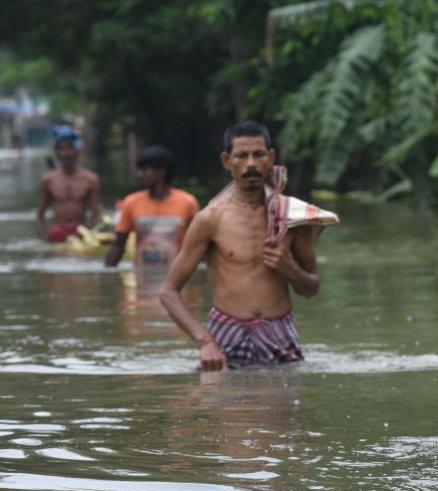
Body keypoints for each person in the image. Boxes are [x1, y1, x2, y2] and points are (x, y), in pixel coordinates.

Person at [160, 120, 320, 370]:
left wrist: (288, 268)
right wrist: (205, 342)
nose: (251, 164)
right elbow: (168, 291)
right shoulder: (210, 219)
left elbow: (311, 287)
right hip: (226, 334)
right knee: (229, 407)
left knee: (282, 408)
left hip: (280, 333)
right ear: (227, 161)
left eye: (258, 155)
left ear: (271, 157)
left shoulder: (293, 215)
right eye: (241, 156)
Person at [105, 145, 199, 267]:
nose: (139, 174)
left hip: (176, 279)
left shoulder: (188, 203)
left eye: (144, 170)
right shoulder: (131, 202)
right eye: (138, 170)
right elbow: (119, 245)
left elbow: (198, 245)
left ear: (161, 171)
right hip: (142, 276)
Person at [35, 135, 101, 242]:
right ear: (57, 152)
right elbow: (39, 214)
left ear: (78, 151)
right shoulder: (48, 180)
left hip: (81, 231)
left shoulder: (90, 180)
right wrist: (44, 239)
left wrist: (89, 234)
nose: (66, 153)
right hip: (57, 231)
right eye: (62, 149)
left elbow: (96, 213)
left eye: (70, 148)